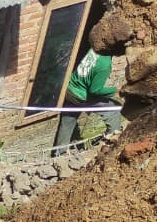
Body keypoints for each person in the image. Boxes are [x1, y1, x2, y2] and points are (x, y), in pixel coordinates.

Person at [53, 24, 126, 155]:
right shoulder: (105, 65)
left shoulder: (94, 50)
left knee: (68, 120)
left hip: (69, 88)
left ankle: (59, 153)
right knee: (113, 110)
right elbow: (95, 91)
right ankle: (112, 144)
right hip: (81, 96)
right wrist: (116, 90)